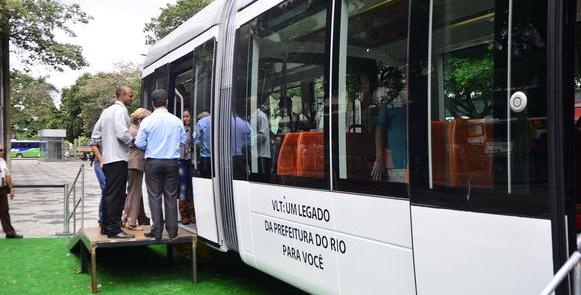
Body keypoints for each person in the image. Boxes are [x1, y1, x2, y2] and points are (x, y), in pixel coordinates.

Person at [135, 89, 186, 240]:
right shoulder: (176, 120)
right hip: (172, 162)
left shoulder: (147, 121)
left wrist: (152, 145)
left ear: (152, 103)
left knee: (154, 196)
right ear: (167, 102)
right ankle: (172, 231)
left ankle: (157, 231)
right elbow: (183, 141)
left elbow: (139, 143)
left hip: (153, 162)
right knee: (171, 196)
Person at [91, 85, 135, 238]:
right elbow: (122, 132)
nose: (132, 98)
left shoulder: (106, 111)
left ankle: (106, 226)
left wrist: (103, 151)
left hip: (108, 159)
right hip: (119, 158)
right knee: (117, 195)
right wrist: (133, 141)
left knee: (109, 193)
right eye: (130, 95)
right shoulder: (121, 110)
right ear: (122, 96)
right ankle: (114, 229)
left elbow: (95, 135)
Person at [371, 66, 407, 183]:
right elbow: (380, 129)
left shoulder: (399, 101)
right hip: (398, 163)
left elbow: (380, 129)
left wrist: (379, 158)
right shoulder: (389, 102)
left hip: (408, 162)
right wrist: (379, 158)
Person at [122, 108, 151, 230]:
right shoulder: (136, 131)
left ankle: (125, 219)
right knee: (134, 193)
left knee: (132, 192)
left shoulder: (131, 129)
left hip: (132, 163)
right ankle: (131, 222)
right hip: (136, 163)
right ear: (140, 119)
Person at [0, 144, 22, 239]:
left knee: (4, 211)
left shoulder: (2, 162)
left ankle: (10, 233)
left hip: (2, 190)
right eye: (0, 150)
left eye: (2, 150)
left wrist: (11, 189)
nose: (2, 152)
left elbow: (7, 176)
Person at [178, 109, 195, 225]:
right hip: (182, 161)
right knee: (183, 187)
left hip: (192, 161)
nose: (185, 119)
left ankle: (193, 213)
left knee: (192, 187)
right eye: (183, 116)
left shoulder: (195, 130)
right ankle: (184, 215)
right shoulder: (180, 130)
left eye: (187, 116)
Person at [89, 139, 106, 225]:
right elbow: (93, 144)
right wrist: (101, 159)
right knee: (106, 190)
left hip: (113, 163)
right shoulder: (99, 126)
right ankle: (102, 220)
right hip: (100, 163)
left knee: (113, 191)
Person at [194, 112, 212, 178]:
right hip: (217, 157)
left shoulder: (200, 122)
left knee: (205, 177)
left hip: (205, 156)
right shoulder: (216, 120)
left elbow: (196, 137)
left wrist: (198, 147)